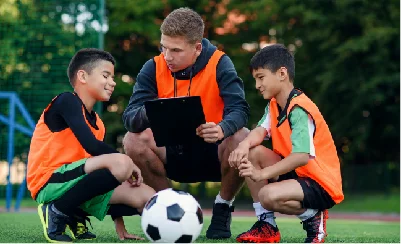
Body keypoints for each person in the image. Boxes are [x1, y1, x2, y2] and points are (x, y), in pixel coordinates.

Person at [122, 7, 250, 239]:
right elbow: (129, 117)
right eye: (163, 47)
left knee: (242, 136)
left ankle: (223, 208)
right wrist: (154, 111)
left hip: (214, 154)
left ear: (197, 48)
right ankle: (170, 207)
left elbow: (240, 110)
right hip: (172, 154)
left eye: (176, 50)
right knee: (132, 140)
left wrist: (222, 128)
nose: (167, 56)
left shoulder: (220, 63)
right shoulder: (153, 66)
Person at [26, 48, 156, 243]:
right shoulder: (66, 101)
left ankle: (74, 212)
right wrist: (126, 161)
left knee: (149, 196)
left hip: (77, 181)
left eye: (113, 77)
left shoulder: (98, 123)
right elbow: (93, 147)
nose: (112, 82)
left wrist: (120, 225)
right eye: (106, 75)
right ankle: (56, 211)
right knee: (121, 164)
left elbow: (104, 174)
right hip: (48, 181)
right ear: (83, 76)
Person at [229, 44, 344, 243]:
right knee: (251, 153)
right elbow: (260, 131)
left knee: (267, 195)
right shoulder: (275, 104)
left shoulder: (299, 108)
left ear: (282, 73)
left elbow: (301, 156)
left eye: (261, 77)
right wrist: (242, 146)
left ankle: (313, 218)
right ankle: (267, 225)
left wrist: (262, 174)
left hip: (320, 183)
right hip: (299, 176)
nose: (257, 85)